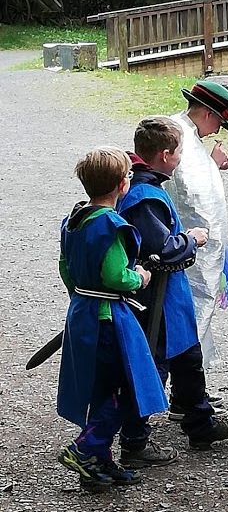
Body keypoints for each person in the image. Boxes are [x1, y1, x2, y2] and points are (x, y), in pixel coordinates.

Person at [118, 117, 228, 465]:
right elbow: (162, 251)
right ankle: (134, 441)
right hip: (153, 299)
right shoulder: (144, 196)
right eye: (179, 153)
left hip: (170, 295)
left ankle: (199, 422)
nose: (181, 159)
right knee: (152, 366)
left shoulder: (150, 186)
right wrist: (193, 239)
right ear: (164, 154)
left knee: (188, 358)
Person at [56, 147, 167, 491]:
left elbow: (65, 268)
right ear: (123, 184)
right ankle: (86, 447)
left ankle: (98, 463)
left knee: (101, 390)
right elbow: (117, 275)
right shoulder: (110, 225)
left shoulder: (75, 219)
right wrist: (141, 278)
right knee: (129, 387)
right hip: (108, 317)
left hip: (83, 311)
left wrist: (82, 293)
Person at [165, 80, 228, 392]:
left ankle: (189, 393)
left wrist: (212, 164)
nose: (217, 130)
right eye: (219, 122)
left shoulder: (188, 137)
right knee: (186, 319)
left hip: (194, 249)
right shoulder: (180, 137)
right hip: (189, 249)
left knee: (189, 319)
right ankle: (186, 396)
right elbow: (189, 195)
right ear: (208, 114)